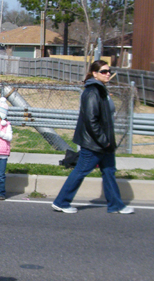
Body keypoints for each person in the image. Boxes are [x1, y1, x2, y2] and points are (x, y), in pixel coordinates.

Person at [52, 60, 135, 215]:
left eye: (109, 71)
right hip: (95, 143)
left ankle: (116, 205)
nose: (108, 74)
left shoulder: (101, 90)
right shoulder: (92, 92)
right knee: (80, 171)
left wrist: (107, 142)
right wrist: (104, 141)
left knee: (109, 171)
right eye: (103, 71)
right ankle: (61, 202)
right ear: (95, 74)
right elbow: (91, 120)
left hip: (105, 143)